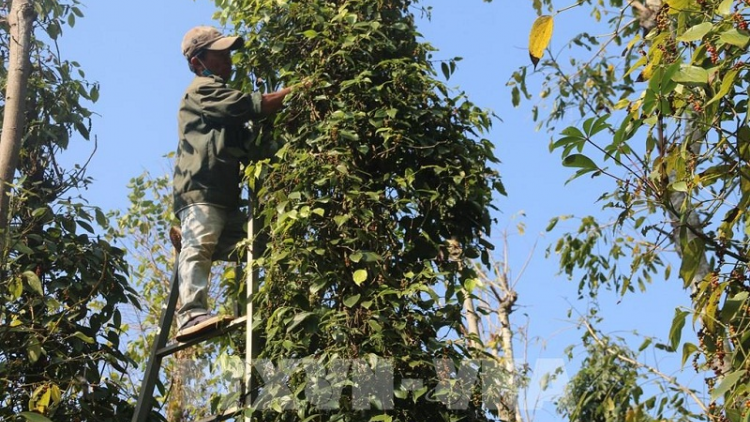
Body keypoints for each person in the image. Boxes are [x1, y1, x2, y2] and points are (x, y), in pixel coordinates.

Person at [173, 26, 293, 342]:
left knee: (262, 241)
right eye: (220, 53)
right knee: (200, 246)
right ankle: (190, 315)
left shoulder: (220, 92)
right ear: (199, 62)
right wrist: (292, 93)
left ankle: (186, 241)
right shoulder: (202, 91)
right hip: (202, 189)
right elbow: (247, 106)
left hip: (224, 195)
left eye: (228, 51)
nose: (228, 58)